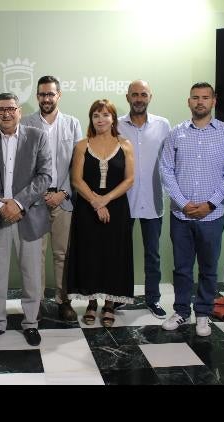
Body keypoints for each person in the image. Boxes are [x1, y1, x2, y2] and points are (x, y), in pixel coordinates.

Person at [0, 92, 52, 347]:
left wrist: (17, 203)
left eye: (11, 108)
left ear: (19, 111)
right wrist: (0, 205)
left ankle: (31, 323)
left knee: (32, 276)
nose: (6, 113)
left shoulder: (38, 136)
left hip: (28, 216)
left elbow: (45, 176)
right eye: (1, 109)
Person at [159, 82, 224, 337]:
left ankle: (203, 313)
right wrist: (183, 203)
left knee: (208, 268)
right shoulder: (176, 133)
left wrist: (210, 204)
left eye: (205, 97)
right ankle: (181, 311)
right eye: (195, 97)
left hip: (212, 215)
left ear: (214, 101)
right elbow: (166, 170)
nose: (200, 101)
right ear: (188, 101)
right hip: (181, 215)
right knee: (182, 268)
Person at [64, 99, 135, 328]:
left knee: (114, 255)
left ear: (113, 118)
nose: (100, 119)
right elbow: (76, 180)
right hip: (87, 208)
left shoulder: (125, 145)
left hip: (117, 209)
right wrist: (96, 202)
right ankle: (92, 303)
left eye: (105, 115)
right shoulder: (82, 146)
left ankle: (110, 304)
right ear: (91, 119)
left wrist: (106, 199)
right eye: (96, 115)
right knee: (90, 255)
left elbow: (129, 180)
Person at [21, 75, 82, 323]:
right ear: (37, 96)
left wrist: (63, 192)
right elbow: (24, 165)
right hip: (35, 201)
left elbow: (78, 163)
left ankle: (63, 300)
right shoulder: (25, 123)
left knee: (62, 254)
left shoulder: (72, 124)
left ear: (59, 95)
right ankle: (34, 302)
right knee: (35, 255)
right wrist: (38, 193)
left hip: (63, 198)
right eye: (42, 94)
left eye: (50, 94)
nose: (46, 98)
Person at [118, 79, 171, 319]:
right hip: (123, 200)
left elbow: (170, 161)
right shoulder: (116, 125)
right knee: (120, 253)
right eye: (135, 94)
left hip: (153, 199)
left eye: (143, 94)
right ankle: (119, 297)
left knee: (153, 255)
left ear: (150, 97)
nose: (139, 99)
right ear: (127, 97)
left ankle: (153, 299)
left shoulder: (163, 125)